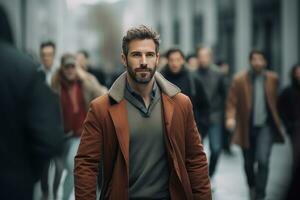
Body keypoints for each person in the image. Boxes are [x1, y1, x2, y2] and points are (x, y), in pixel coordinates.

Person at [74, 25, 211, 200]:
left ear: (158, 58)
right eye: (136, 55)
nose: (144, 61)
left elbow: (195, 160)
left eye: (150, 55)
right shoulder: (101, 108)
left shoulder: (180, 104)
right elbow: (86, 164)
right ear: (124, 59)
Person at [0, 5, 64, 200]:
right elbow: (49, 140)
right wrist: (26, 172)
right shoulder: (24, 70)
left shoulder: (59, 76)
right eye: (43, 55)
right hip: (12, 184)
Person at [226, 50, 284, 200]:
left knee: (263, 160)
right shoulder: (239, 79)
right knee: (248, 163)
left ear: (265, 62)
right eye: (254, 59)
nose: (257, 62)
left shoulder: (273, 78)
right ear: (250, 61)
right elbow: (232, 101)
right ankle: (251, 186)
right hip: (247, 127)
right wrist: (230, 118)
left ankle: (260, 195)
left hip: (266, 127)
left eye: (261, 59)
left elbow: (278, 101)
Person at [51, 53, 107, 200]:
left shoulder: (86, 81)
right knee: (60, 170)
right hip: (62, 136)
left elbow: (103, 95)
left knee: (74, 167)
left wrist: (85, 78)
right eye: (67, 67)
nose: (70, 70)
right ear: (62, 68)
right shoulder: (55, 85)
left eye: (72, 66)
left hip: (82, 134)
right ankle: (58, 194)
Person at [160, 47, 210, 133]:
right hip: (166, 129)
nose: (175, 63)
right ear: (167, 61)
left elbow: (204, 105)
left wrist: (201, 129)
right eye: (171, 60)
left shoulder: (193, 79)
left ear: (183, 60)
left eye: (178, 60)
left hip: (190, 128)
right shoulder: (160, 79)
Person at [195, 47, 226, 181]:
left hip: (215, 116)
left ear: (210, 57)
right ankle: (200, 179)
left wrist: (227, 116)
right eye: (200, 56)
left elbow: (224, 95)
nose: (203, 59)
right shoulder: (193, 74)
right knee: (197, 151)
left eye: (205, 56)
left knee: (216, 149)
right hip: (198, 119)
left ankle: (209, 175)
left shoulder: (218, 74)